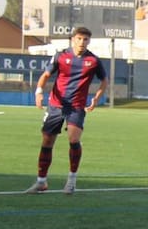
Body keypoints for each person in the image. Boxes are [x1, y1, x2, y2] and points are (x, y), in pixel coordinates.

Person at [25, 26, 109, 195]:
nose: (82, 42)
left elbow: (104, 80)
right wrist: (39, 91)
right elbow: (46, 75)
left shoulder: (93, 61)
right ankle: (41, 181)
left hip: (76, 107)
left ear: (89, 41)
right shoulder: (60, 56)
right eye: (79, 39)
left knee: (73, 138)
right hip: (56, 104)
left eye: (85, 39)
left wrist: (96, 99)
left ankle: (71, 180)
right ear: (73, 39)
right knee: (47, 141)